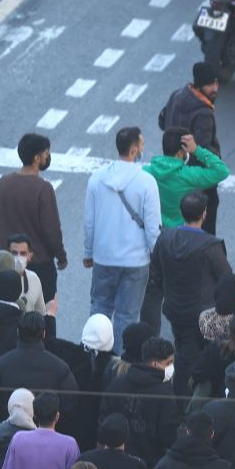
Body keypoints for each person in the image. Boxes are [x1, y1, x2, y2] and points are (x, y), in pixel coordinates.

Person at [146, 192, 235, 393]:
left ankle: (186, 392)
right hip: (203, 314)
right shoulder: (210, 246)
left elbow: (155, 273)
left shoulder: (165, 238)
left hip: (175, 310)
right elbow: (226, 277)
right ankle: (189, 398)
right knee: (198, 357)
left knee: (183, 350)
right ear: (204, 214)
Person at [87, 126, 162, 334]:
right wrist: (157, 257)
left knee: (99, 310)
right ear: (134, 150)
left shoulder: (97, 178)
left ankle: (94, 355)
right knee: (127, 316)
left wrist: (88, 252)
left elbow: (89, 221)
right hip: (135, 261)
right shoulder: (147, 182)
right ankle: (120, 363)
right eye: (142, 145)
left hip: (104, 258)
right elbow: (152, 227)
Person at [0, 134, 68, 300]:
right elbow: (51, 229)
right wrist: (61, 256)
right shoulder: (43, 189)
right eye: (46, 153)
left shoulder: (3, 183)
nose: (48, 157)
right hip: (38, 265)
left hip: (6, 263)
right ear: (37, 158)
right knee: (41, 316)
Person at [0, 313, 78, 443]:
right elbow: (70, 407)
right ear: (44, 334)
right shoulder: (60, 368)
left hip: (7, 440)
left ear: (18, 332)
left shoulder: (1, 365)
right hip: (46, 441)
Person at [159, 63, 224, 235]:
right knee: (206, 227)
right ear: (200, 84)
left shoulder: (177, 95)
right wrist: (214, 157)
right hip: (198, 179)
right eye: (210, 85)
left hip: (173, 166)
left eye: (216, 83)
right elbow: (200, 149)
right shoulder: (204, 113)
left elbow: (162, 121)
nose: (215, 88)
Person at [99, 336, 180, 466]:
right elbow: (169, 436)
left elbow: (103, 422)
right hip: (150, 464)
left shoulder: (117, 384)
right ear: (155, 364)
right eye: (168, 363)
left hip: (115, 461)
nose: (171, 367)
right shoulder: (165, 394)